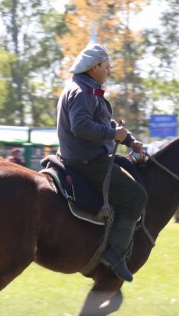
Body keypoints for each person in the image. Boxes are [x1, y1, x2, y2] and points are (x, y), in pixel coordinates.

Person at [56, 43, 146, 282]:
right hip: (87, 161)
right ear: (94, 67)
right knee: (136, 197)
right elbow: (81, 126)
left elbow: (104, 123)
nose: (110, 71)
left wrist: (130, 140)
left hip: (86, 156)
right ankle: (114, 256)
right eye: (106, 66)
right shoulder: (83, 92)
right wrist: (113, 135)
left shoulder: (84, 88)